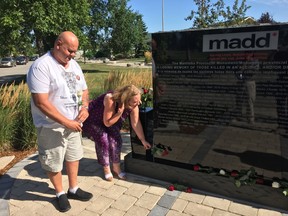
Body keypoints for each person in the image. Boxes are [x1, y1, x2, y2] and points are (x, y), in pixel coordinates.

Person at [26, 31, 93, 212]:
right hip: (51, 126)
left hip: (73, 123)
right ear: (58, 45)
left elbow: (84, 91)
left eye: (75, 52)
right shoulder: (41, 66)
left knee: (73, 156)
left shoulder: (74, 65)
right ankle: (60, 193)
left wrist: (84, 108)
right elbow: (41, 102)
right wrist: (65, 122)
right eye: (70, 51)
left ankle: (73, 188)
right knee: (53, 161)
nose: (73, 55)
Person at [83, 84, 151, 181]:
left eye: (139, 100)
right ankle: (106, 168)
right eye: (135, 101)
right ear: (126, 100)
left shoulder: (134, 105)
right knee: (103, 141)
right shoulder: (110, 99)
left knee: (116, 140)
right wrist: (119, 113)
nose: (138, 103)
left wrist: (143, 140)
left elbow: (135, 123)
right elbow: (107, 123)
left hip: (112, 120)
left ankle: (116, 168)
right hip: (94, 119)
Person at [235, 52, 259, 124]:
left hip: (250, 82)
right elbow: (237, 72)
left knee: (250, 100)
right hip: (241, 82)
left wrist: (245, 68)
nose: (246, 55)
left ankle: (250, 118)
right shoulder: (241, 61)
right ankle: (238, 116)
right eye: (245, 53)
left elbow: (254, 71)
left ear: (252, 54)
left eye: (248, 53)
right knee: (239, 99)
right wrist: (241, 76)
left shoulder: (255, 61)